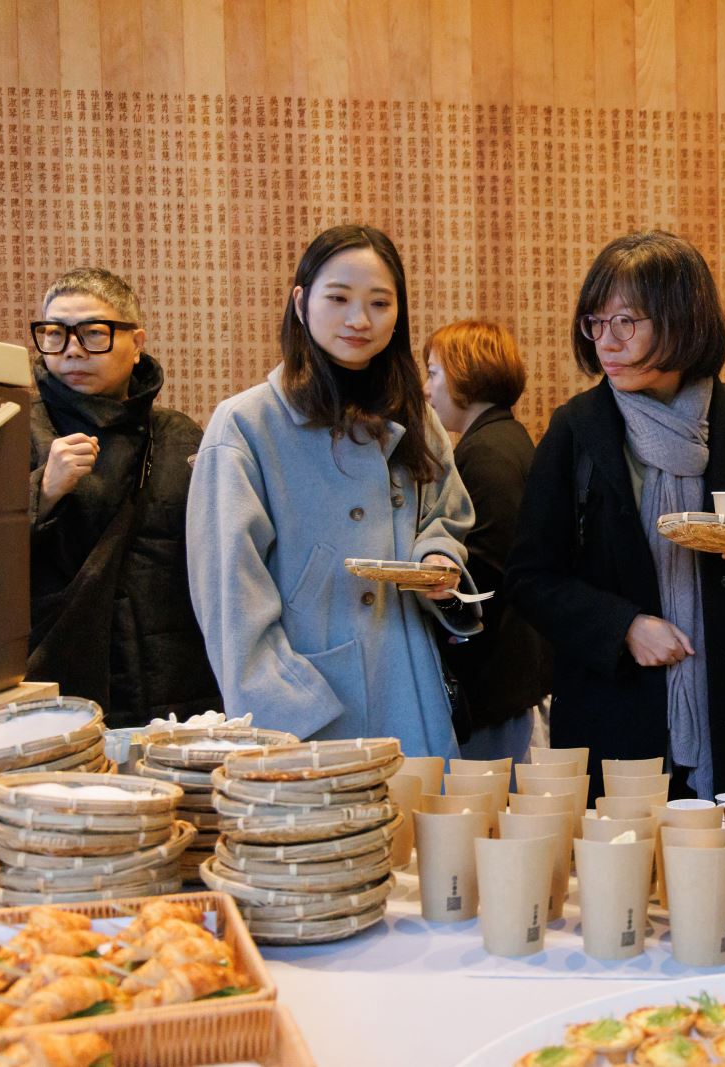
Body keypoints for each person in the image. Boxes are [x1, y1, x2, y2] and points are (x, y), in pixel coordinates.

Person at [506, 230, 725, 800]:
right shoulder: (578, 429)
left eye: (626, 321)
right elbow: (530, 577)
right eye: (596, 322)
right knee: (622, 854)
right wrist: (623, 626)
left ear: (683, 320)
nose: (606, 341)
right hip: (613, 704)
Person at [187, 224, 479, 754]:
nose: (359, 320)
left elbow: (446, 514)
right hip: (309, 704)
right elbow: (230, 597)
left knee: (421, 806)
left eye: (380, 303)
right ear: (301, 303)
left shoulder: (415, 417)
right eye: (339, 298)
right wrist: (288, 712)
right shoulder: (246, 424)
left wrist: (436, 557)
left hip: (408, 680)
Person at [26, 267, 219, 728]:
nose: (72, 349)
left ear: (137, 344)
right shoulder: (17, 428)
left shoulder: (178, 436)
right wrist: (42, 492)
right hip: (59, 690)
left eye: (94, 333)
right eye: (55, 334)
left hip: (175, 684)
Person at [422, 319, 552, 762]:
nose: (426, 389)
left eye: (433, 373)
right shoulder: (502, 439)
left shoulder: (486, 453)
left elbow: (488, 572)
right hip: (513, 672)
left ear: (466, 373)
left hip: (500, 679)